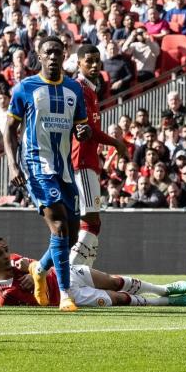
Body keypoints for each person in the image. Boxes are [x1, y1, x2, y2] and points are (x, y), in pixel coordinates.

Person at [4, 36, 91, 312]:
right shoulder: (25, 88)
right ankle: (65, 294)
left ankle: (39, 269)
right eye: (48, 53)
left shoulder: (74, 89)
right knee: (58, 226)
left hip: (64, 168)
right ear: (39, 57)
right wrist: (12, 165)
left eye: (57, 52)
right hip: (36, 165)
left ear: (65, 55)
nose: (53, 57)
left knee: (73, 233)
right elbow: (8, 129)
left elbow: (82, 128)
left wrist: (84, 132)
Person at [0, 235, 186, 308]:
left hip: (66, 273)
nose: (7, 256)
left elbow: (39, 265)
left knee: (113, 281)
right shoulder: (5, 295)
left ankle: (163, 289)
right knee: (118, 298)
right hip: (71, 296)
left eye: (6, 250)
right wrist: (38, 283)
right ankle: (167, 302)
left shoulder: (15, 260)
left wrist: (33, 269)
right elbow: (40, 304)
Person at [69, 45, 129, 268]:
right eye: (89, 61)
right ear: (79, 63)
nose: (94, 65)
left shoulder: (91, 90)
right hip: (81, 160)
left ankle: (85, 273)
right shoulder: (78, 88)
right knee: (91, 220)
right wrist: (116, 143)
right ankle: (66, 273)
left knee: (94, 222)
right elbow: (88, 129)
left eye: (97, 60)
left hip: (89, 161)